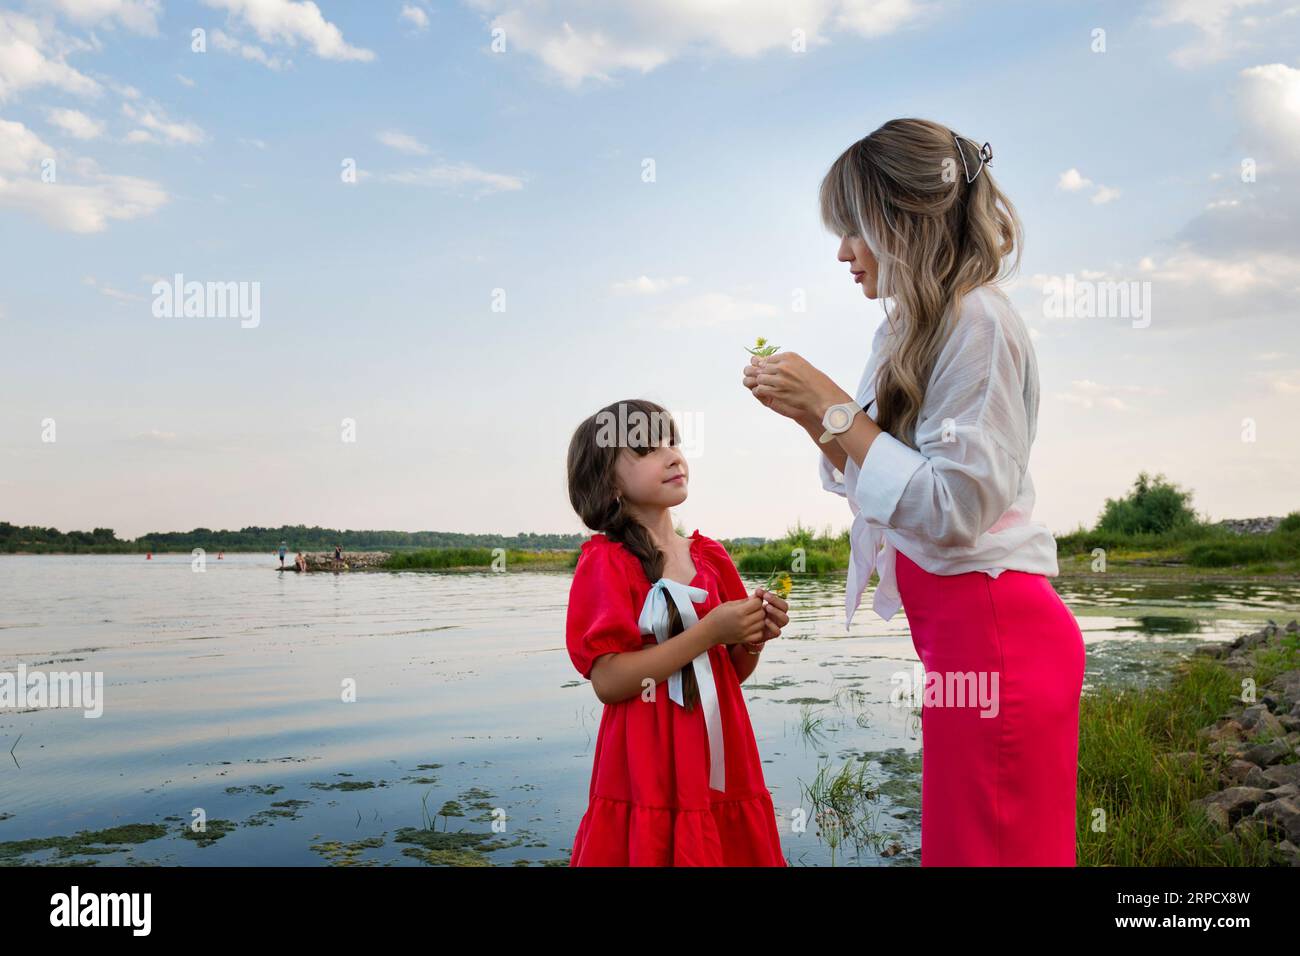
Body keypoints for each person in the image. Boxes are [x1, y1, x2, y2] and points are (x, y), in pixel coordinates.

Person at [743, 118, 1085, 867]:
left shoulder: (979, 321)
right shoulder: (909, 328)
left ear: (903, 219)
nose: (842, 253)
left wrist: (835, 408)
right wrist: (813, 418)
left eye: (853, 229)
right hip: (964, 645)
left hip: (998, 640)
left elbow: (955, 510)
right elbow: (876, 482)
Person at [563, 398, 789, 866]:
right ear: (608, 483)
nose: (672, 455)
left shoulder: (711, 557)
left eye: (673, 442)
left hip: (717, 753)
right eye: (647, 448)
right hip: (645, 761)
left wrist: (752, 636)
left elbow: (731, 673)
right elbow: (608, 681)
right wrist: (707, 632)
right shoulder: (605, 563)